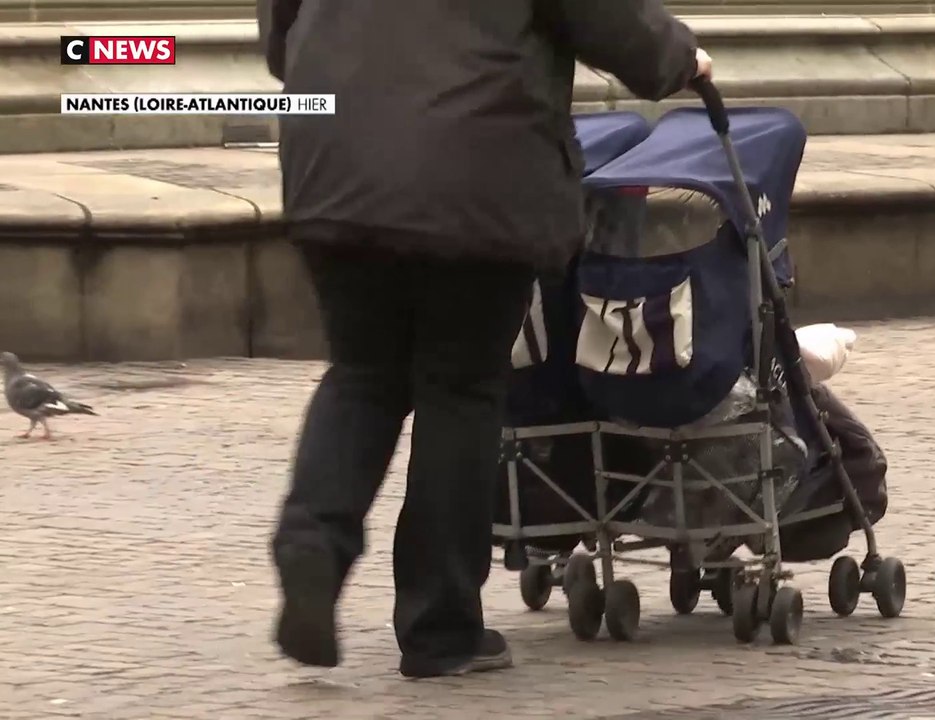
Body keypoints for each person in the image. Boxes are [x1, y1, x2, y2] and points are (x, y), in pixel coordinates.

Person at [256, 0, 712, 678]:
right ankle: (440, 629)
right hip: (477, 174)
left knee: (362, 373)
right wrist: (680, 59)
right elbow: (605, 16)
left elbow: (278, 34)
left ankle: (311, 545)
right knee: (459, 387)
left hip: (335, 160)